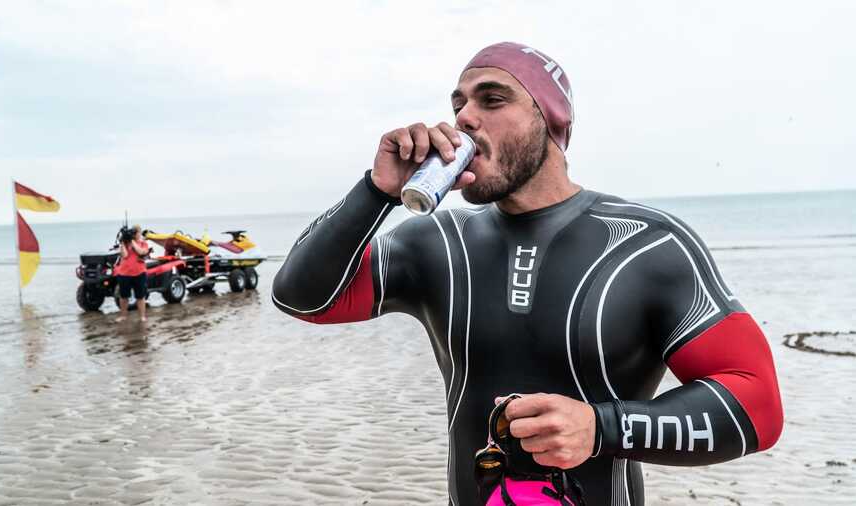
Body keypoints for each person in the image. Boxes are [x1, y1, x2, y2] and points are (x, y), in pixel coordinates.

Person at [272, 42, 783, 505]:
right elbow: (302, 298)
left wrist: (602, 428)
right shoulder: (434, 242)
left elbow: (757, 404)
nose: (465, 119)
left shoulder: (648, 244)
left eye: (492, 101)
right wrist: (375, 192)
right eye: (458, 105)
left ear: (552, 121)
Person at [115, 225, 150, 322]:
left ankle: (142, 316)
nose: (137, 234)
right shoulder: (126, 243)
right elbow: (125, 255)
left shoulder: (143, 243)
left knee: (140, 296)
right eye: (136, 233)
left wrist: (133, 242)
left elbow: (141, 252)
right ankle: (123, 316)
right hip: (124, 273)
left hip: (139, 273)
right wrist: (122, 243)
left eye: (138, 232)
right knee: (123, 296)